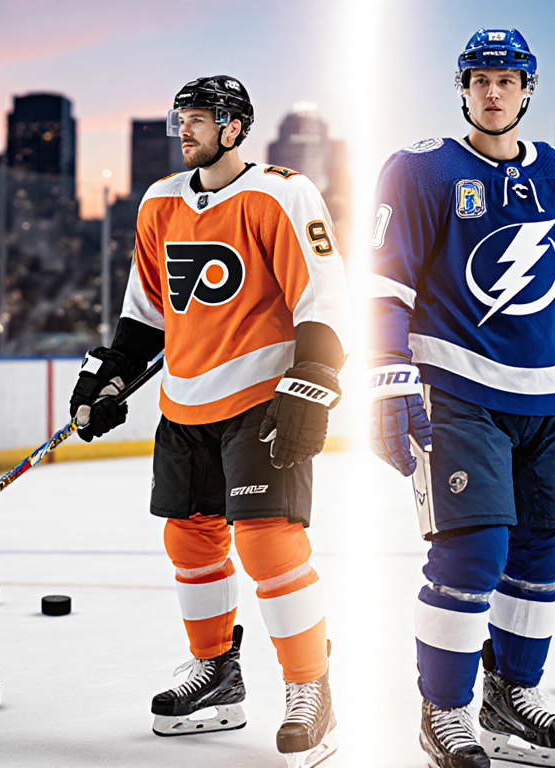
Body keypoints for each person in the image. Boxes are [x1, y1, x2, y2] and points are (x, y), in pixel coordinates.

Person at [366, 30, 555, 768]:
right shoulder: (421, 170)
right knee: (473, 552)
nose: (493, 92)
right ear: (462, 88)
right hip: (457, 393)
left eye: (507, 80)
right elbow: (385, 285)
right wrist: (388, 375)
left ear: (528, 90)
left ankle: (510, 695)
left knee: (541, 552)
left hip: (546, 404)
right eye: (481, 79)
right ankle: (444, 710)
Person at [70, 75, 348, 768]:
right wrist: (109, 374)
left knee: (268, 544)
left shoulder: (282, 193)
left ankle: (310, 688)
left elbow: (323, 296)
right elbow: (147, 312)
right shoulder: (160, 201)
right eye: (182, 117)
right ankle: (217, 672)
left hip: (261, 401)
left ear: (234, 127)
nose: (185, 129)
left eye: (199, 118)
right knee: (191, 542)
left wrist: (314, 380)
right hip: (185, 405)